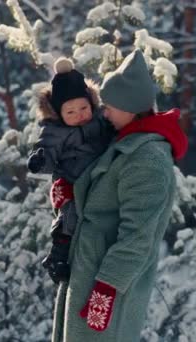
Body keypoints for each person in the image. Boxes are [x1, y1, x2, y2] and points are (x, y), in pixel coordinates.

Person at [50, 50, 188, 342]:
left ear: (131, 107)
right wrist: (65, 193)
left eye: (110, 106)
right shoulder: (123, 143)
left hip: (106, 287)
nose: (105, 112)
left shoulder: (147, 159)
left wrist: (105, 291)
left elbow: (138, 237)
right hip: (86, 270)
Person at [27, 57, 114, 284]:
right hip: (71, 182)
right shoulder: (54, 131)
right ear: (58, 113)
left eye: (83, 108)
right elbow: (47, 152)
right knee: (71, 216)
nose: (79, 115)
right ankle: (57, 257)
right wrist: (39, 160)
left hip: (98, 176)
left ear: (91, 102)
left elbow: (115, 130)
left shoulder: (100, 118)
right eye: (71, 112)